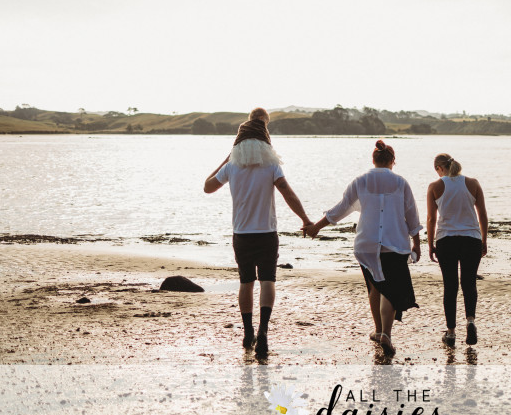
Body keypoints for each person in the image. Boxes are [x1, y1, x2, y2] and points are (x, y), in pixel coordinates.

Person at [204, 107, 312, 356]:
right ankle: (263, 332)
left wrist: (227, 159)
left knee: (246, 283)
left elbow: (208, 187)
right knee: (267, 281)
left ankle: (247, 333)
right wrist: (306, 219)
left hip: (242, 234)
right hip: (267, 233)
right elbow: (288, 194)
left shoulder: (231, 167)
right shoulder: (271, 166)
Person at [305, 140, 422, 356]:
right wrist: (417, 242)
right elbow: (412, 215)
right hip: (394, 244)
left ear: (373, 160)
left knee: (374, 287)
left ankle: (378, 330)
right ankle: (386, 334)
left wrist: (316, 228)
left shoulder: (360, 181)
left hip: (366, 245)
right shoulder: (401, 183)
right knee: (390, 289)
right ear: (392, 161)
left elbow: (340, 209)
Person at [427, 153, 488, 346]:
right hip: (471, 239)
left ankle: (451, 333)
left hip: (446, 240)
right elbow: (482, 214)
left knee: (450, 286)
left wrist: (430, 243)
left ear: (439, 168)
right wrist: (484, 240)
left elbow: (431, 219)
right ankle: (470, 322)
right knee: (469, 283)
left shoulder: (435, 187)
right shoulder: (473, 183)